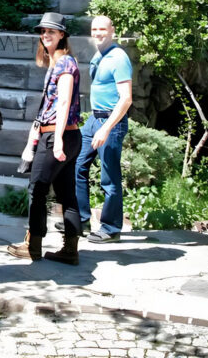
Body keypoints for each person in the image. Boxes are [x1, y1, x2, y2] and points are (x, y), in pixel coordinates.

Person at [7, 12, 83, 264]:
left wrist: (57, 138)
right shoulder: (58, 63)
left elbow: (64, 101)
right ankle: (70, 250)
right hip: (67, 135)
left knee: (37, 189)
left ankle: (33, 245)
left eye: (51, 31)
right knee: (66, 193)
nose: (45, 35)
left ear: (62, 35)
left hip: (57, 136)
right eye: (42, 31)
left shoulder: (64, 63)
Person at [73, 15, 133, 243]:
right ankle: (80, 218)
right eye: (94, 29)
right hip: (93, 120)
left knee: (109, 177)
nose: (98, 33)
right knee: (76, 164)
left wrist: (106, 128)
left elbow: (126, 99)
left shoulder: (119, 58)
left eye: (102, 29)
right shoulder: (99, 54)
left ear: (112, 31)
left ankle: (111, 228)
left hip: (111, 122)